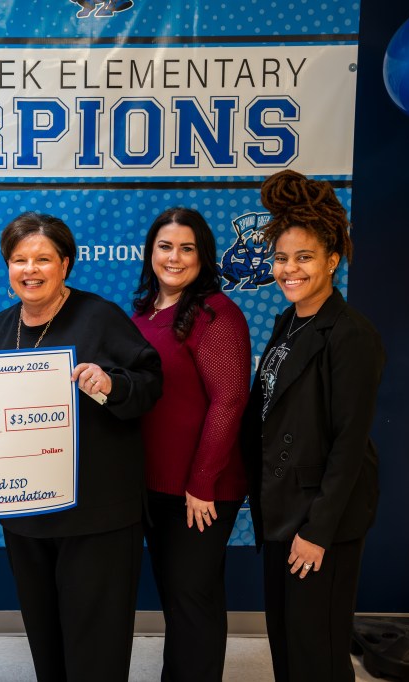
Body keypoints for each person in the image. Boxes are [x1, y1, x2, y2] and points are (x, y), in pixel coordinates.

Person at [0, 212, 162, 680]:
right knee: (46, 640)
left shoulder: (99, 316)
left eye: (43, 259)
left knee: (95, 645)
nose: (30, 269)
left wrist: (111, 383)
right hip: (26, 515)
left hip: (96, 516)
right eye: (19, 259)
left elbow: (149, 383)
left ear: (65, 264)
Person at [242, 169, 384, 682]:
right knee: (287, 643)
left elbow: (349, 443)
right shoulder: (289, 320)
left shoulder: (351, 335)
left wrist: (317, 531)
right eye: (282, 258)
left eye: (303, 257)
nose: (289, 269)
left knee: (318, 651)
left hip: (320, 520)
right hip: (281, 509)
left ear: (332, 258)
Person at [132, 207, 251, 682]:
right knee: (178, 599)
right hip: (155, 484)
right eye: (165, 246)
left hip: (200, 491)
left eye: (187, 248)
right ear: (151, 252)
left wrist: (201, 482)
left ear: (203, 255)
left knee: (192, 601)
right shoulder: (144, 311)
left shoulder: (216, 312)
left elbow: (229, 400)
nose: (174, 257)